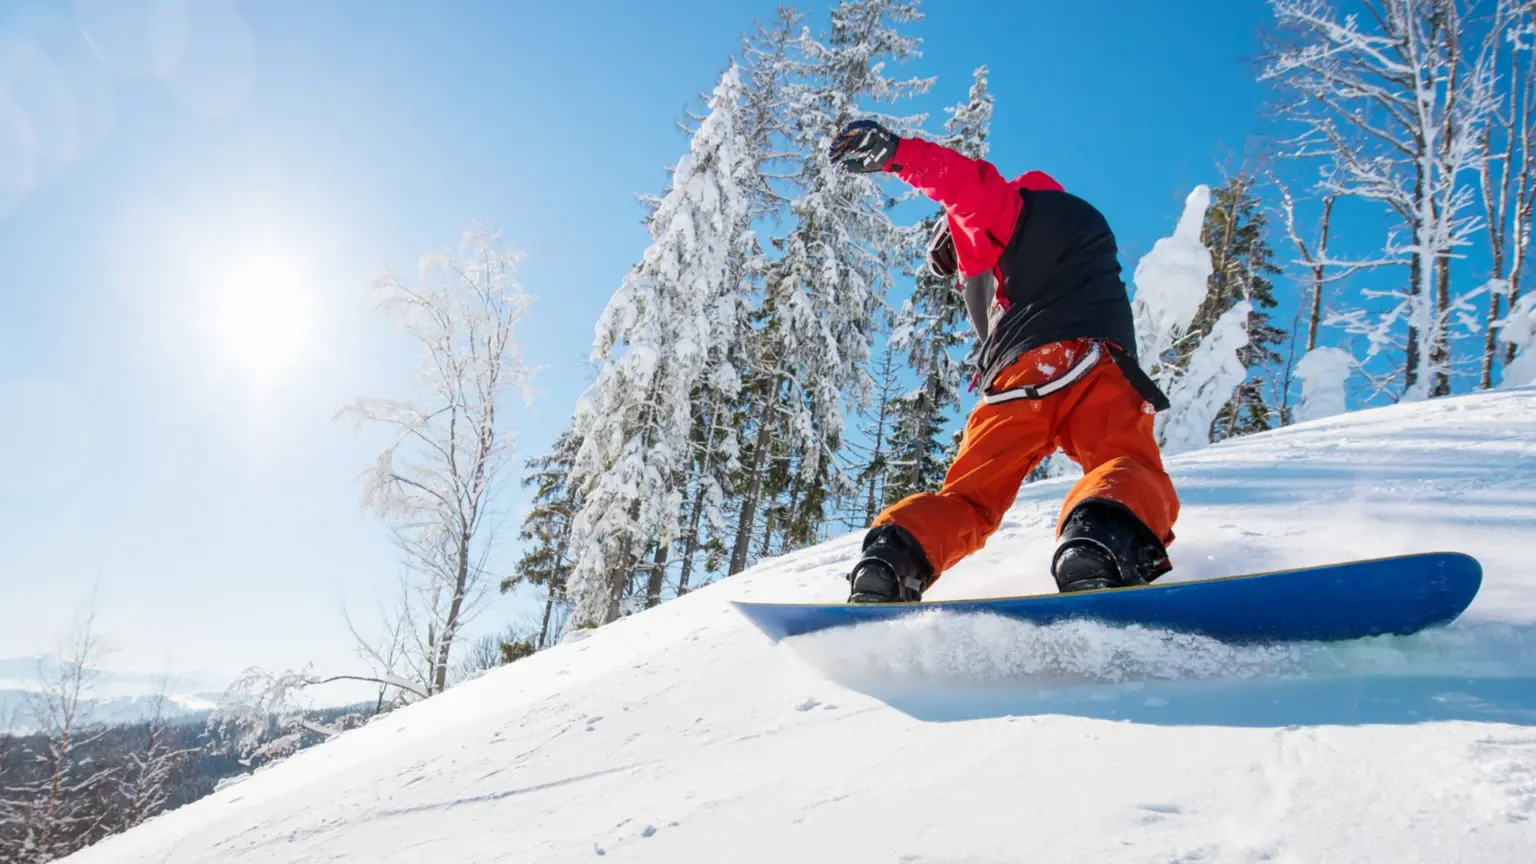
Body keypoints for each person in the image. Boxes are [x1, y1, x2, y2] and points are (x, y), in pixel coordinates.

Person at [827, 118, 1180, 603]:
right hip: (1098, 369)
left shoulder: (1009, 210)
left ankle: (893, 561)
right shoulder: (1085, 225)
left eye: (954, 257)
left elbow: (964, 188)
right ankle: (1100, 543)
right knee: (1124, 464)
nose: (965, 272)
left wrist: (896, 154)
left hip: (1024, 377)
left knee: (968, 498)